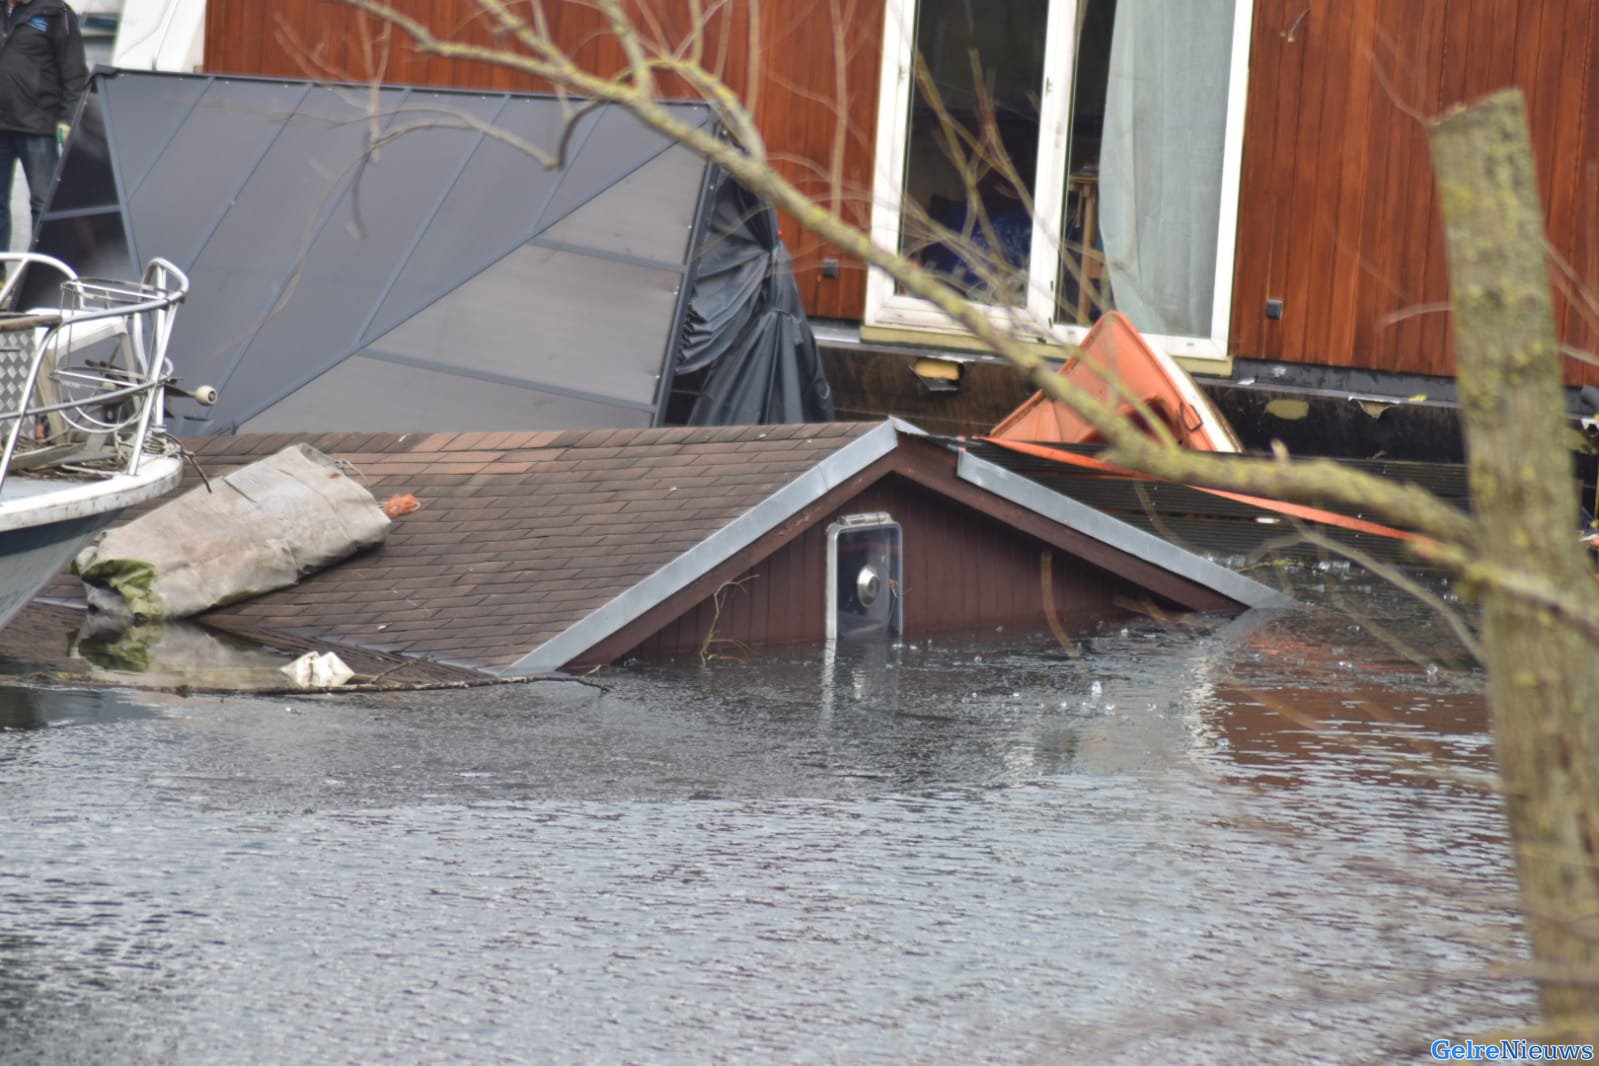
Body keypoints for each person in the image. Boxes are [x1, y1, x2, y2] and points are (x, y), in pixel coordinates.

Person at [0, 0, 84, 254]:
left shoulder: (57, 13)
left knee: (43, 203)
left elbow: (75, 73)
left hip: (39, 127)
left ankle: (41, 275)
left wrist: (69, 119)